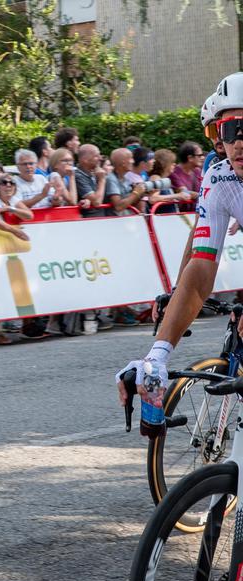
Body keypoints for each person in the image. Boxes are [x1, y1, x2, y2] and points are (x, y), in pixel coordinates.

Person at [118, 73, 243, 427]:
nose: (236, 143)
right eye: (227, 132)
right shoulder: (220, 179)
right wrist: (158, 354)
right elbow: (202, 263)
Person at [0, 174, 33, 345]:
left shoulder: (15, 199)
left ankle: (26, 325)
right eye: (4, 182)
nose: (8, 185)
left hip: (11, 251)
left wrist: (12, 209)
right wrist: (15, 231)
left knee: (15, 289)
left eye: (11, 182)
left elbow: (29, 215)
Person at [74, 144, 111, 217]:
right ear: (85, 160)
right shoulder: (78, 176)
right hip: (89, 221)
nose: (100, 158)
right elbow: (97, 202)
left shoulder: (95, 173)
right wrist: (102, 180)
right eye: (96, 156)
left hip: (101, 218)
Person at [170, 141, 205, 210]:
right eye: (199, 155)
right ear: (190, 158)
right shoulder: (174, 173)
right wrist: (205, 196)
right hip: (180, 216)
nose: (203, 157)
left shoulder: (198, 171)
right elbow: (185, 192)